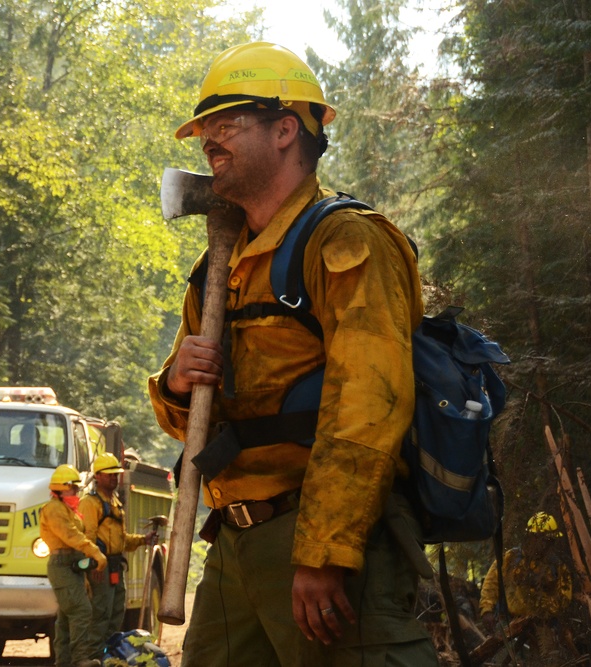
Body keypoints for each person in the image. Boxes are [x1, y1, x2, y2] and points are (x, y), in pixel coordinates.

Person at [148, 41, 437, 666]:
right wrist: (175, 384)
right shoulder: (216, 270)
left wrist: (324, 551)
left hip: (319, 538)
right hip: (233, 546)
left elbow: (371, 402)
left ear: (286, 129)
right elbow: (185, 421)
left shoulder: (347, 240)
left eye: (226, 124)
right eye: (203, 130)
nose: (207, 141)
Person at [79, 452, 157, 647]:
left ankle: (109, 655)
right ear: (97, 476)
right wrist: (95, 564)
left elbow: (122, 540)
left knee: (116, 614)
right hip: (101, 566)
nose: (114, 478)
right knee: (100, 615)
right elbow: (87, 537)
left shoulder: (115, 503)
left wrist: (143, 540)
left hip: (115, 566)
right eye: (109, 474)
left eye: (116, 474)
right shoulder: (90, 503)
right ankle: (93, 656)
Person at [479, 512, 573, 663]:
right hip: (509, 622)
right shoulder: (510, 558)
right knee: (502, 660)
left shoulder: (556, 566)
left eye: (549, 540)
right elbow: (491, 584)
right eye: (543, 539)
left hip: (542, 626)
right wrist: (486, 610)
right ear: (532, 537)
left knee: (548, 660)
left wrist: (543, 611)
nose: (546, 544)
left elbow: (563, 598)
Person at [39, 464, 107, 667]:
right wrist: (94, 551)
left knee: (66, 615)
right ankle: (79, 660)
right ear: (60, 489)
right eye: (73, 488)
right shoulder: (53, 509)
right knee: (80, 610)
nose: (76, 492)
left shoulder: (69, 510)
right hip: (61, 565)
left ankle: (64, 661)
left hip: (73, 563)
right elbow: (71, 535)